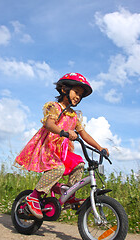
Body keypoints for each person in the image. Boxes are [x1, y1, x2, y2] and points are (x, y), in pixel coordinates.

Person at [14, 72, 109, 219]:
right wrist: (63, 132)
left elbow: (84, 134)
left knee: (79, 163)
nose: (78, 97)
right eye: (76, 92)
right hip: (47, 149)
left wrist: (100, 148)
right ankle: (34, 197)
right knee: (58, 168)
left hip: (62, 152)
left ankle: (69, 195)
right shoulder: (54, 107)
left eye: (80, 95)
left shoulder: (74, 115)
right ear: (64, 89)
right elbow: (49, 124)